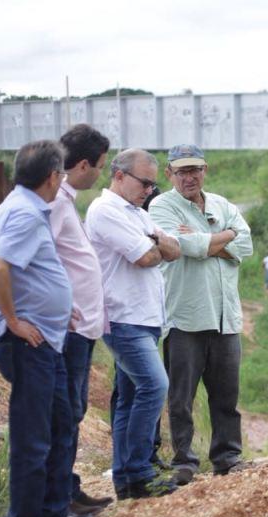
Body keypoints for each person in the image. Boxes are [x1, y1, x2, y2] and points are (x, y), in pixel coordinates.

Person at [0, 140, 85, 517]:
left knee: (61, 420)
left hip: (45, 339)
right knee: (33, 434)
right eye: (62, 174)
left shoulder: (12, 207)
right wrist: (13, 318)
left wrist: (51, 307)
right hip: (27, 344)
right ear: (53, 176)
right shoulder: (25, 215)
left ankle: (54, 509)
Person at [148, 144, 253, 485]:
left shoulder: (222, 203)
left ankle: (227, 457)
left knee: (226, 395)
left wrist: (207, 242)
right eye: (181, 171)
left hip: (225, 316)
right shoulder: (162, 206)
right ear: (169, 174)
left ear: (205, 169)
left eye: (195, 170)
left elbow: (246, 245)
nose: (189, 177)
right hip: (186, 316)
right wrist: (224, 239)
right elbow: (183, 247)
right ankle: (184, 461)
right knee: (181, 398)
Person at [87, 148, 181, 499]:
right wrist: (156, 244)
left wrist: (156, 243)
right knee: (155, 386)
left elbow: (174, 249)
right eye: (145, 183)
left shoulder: (135, 212)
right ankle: (140, 472)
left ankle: (126, 479)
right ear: (120, 175)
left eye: (153, 185)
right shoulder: (105, 211)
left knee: (128, 399)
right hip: (122, 316)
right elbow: (146, 257)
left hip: (144, 317)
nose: (149, 191)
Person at [49, 124, 115, 516]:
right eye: (101, 167)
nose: (101, 174)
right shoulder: (56, 201)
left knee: (73, 411)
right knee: (65, 414)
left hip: (82, 328)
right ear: (85, 164)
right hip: (69, 328)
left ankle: (67, 489)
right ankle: (59, 499)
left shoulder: (65, 199)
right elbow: (40, 260)